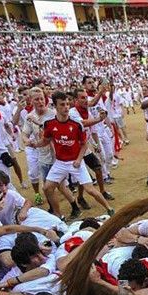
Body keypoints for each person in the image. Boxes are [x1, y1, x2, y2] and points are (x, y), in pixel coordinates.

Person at [40, 91, 114, 219]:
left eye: (68, 104)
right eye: (62, 105)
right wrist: (34, 144)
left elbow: (84, 144)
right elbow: (45, 140)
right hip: (60, 163)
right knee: (47, 188)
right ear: (55, 106)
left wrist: (79, 160)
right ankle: (58, 214)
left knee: (90, 190)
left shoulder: (76, 124)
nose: (66, 107)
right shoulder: (50, 124)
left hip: (75, 162)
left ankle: (109, 208)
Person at [22, 88, 55, 204]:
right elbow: (25, 133)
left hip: (54, 151)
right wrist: (26, 140)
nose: (40, 101)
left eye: (42, 98)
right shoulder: (29, 117)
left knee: (59, 181)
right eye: (37, 99)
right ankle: (37, 194)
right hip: (40, 151)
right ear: (31, 101)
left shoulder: (53, 114)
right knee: (35, 174)